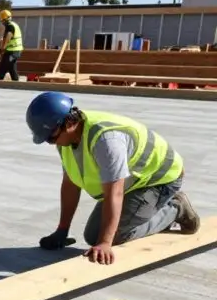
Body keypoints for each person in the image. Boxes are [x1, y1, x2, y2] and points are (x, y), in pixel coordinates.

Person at [27, 91, 200, 265]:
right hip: (132, 181)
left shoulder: (106, 141)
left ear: (70, 123)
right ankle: (147, 212)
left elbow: (115, 193)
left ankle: (175, 208)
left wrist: (105, 243)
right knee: (93, 234)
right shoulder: (65, 139)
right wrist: (62, 230)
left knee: (114, 236)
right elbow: (70, 184)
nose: (52, 142)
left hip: (159, 179)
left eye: (51, 137)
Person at [0, 10, 22, 81]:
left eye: (2, 21)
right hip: (13, 51)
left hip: (13, 51)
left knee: (3, 68)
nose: (2, 22)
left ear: (4, 20)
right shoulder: (13, 25)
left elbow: (8, 38)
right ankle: (16, 83)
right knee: (11, 68)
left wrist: (2, 49)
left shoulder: (10, 26)